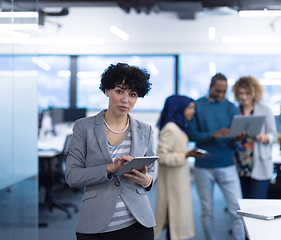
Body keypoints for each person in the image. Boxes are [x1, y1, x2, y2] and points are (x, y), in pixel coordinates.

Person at [65, 63, 157, 240]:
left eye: (133, 94)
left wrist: (147, 180)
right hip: (96, 224)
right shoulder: (84, 127)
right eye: (119, 91)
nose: (125, 100)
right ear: (107, 90)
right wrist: (109, 168)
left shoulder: (145, 130)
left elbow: (152, 172)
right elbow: (72, 176)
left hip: (139, 223)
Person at [188, 73, 245, 240]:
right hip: (204, 165)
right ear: (210, 87)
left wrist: (237, 138)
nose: (221, 95)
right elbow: (191, 134)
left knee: (237, 209)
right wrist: (212, 135)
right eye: (217, 91)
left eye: (224, 91)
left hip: (226, 163)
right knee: (207, 210)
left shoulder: (231, 107)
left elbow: (233, 139)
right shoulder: (197, 106)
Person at [154, 95, 205, 240]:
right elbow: (161, 156)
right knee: (173, 220)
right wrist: (185, 154)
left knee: (176, 220)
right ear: (179, 108)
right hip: (172, 184)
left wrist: (188, 154)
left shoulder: (179, 126)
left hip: (178, 180)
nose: (192, 111)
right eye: (189, 108)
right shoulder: (171, 128)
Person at [232, 76, 277, 199]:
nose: (244, 96)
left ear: (254, 93)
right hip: (240, 164)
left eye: (247, 93)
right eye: (241, 93)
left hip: (259, 162)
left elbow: (273, 135)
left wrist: (263, 137)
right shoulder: (234, 110)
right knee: (242, 203)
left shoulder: (265, 110)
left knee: (257, 202)